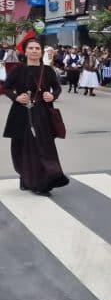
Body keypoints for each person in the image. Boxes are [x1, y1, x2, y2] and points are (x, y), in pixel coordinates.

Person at [3, 38, 69, 195]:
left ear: (41, 51)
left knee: (43, 147)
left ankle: (42, 182)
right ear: (25, 51)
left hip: (42, 112)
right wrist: (16, 97)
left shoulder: (47, 70)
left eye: (37, 48)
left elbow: (57, 88)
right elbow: (6, 88)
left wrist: (52, 96)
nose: (34, 51)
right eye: (31, 48)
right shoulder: (18, 70)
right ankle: (26, 178)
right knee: (23, 147)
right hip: (21, 113)